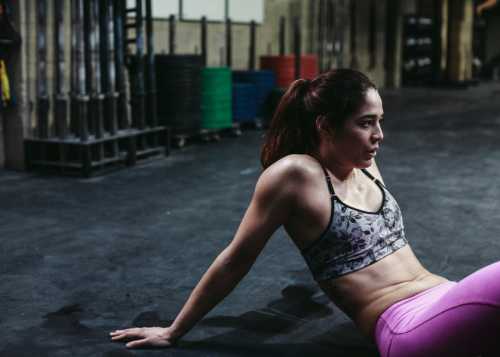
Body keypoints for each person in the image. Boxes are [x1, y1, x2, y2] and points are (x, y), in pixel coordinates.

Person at [110, 69, 500, 356]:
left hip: (444, 298)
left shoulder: (364, 162)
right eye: (366, 123)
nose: (379, 135)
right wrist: (174, 331)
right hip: (406, 325)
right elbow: (236, 258)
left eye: (380, 121)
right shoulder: (295, 174)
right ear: (325, 125)